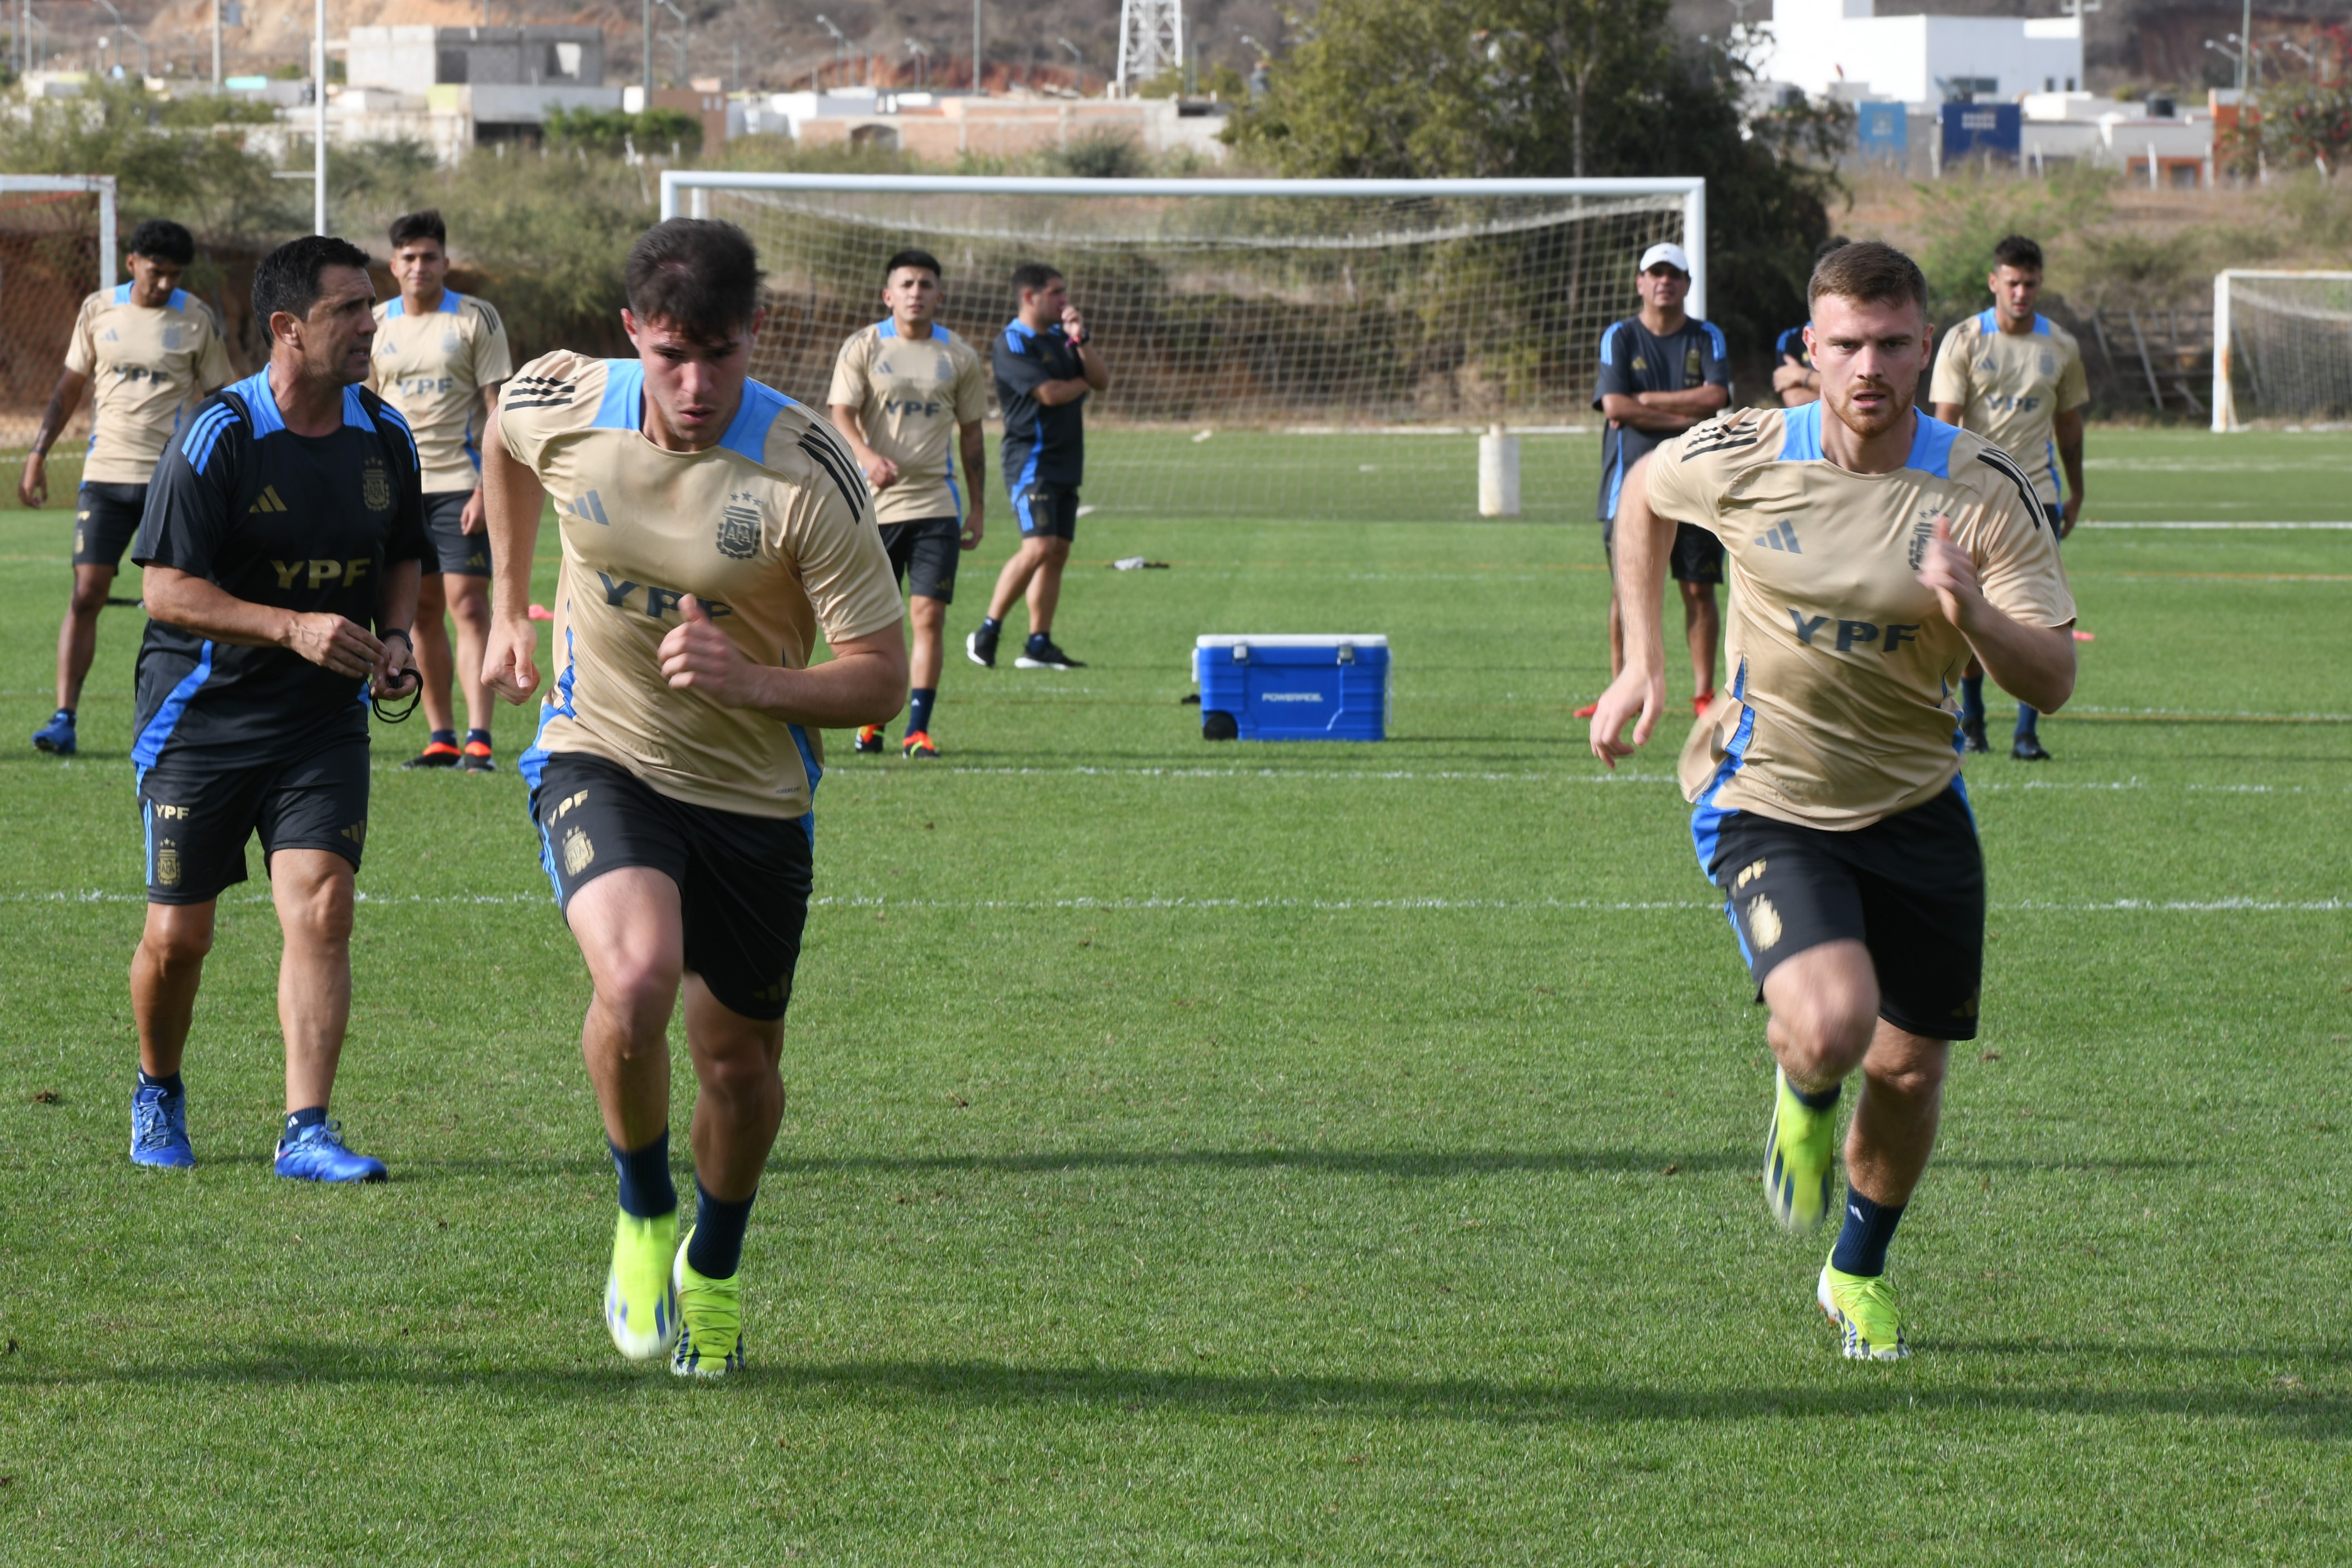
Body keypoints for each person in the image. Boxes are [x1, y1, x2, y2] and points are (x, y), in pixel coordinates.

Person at [1589, 240, 2077, 1360]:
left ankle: (1855, 1270)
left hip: (1917, 803)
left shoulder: (1983, 488)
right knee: (1832, 1025)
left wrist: (1975, 614)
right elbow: (1643, 495)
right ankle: (1805, 1089)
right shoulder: (1748, 450)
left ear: (1923, 348)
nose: (1869, 367)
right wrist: (1641, 661)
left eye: (1892, 344)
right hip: (1766, 790)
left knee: (1907, 1071)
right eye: (1846, 344)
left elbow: (2052, 677)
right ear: (1810, 348)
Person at [480, 218, 907, 1378]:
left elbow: (883, 677)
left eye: (720, 354)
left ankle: (712, 1268)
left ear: (753, 334)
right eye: (672, 354)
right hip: (600, 749)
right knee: (635, 978)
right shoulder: (564, 400)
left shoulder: (804, 472)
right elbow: (501, 438)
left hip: (753, 797)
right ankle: (641, 1210)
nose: (696, 383)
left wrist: (752, 679)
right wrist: (509, 606)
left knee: (739, 1069)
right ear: (633, 333)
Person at [123, 234, 425, 1181]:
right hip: (202, 717)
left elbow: (403, 551)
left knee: (324, 906)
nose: (371, 323)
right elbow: (166, 589)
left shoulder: (387, 435)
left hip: (320, 720)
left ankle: (307, 1130)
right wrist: (291, 626)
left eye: (371, 306)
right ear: (289, 327)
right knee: (179, 939)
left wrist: (397, 636)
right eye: (349, 309)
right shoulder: (220, 432)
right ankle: (158, 1087)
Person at [20, 218, 234, 757]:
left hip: (171, 480)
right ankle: (64, 717)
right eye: (156, 272)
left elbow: (221, 397)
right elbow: (69, 387)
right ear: (132, 262)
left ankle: (206, 711)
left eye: (174, 275)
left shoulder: (196, 318)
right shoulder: (98, 310)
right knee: (86, 593)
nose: (164, 284)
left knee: (192, 599)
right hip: (105, 478)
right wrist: (38, 455)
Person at [1930, 233, 2089, 761]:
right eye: (2013, 282)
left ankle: (2026, 735)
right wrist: (1941, 494)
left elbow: (2069, 426)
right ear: (1994, 282)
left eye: (2031, 284)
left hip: (2038, 498)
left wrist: (2077, 491)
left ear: (2040, 285)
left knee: (2038, 619)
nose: (2022, 293)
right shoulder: (1965, 340)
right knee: (1971, 611)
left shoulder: (2060, 346)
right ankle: (1974, 721)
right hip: (1974, 499)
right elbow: (1945, 424)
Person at [827, 247, 990, 758]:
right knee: (877, 623)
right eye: (907, 284)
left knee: (929, 617)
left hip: (937, 506)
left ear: (940, 295)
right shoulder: (864, 346)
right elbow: (841, 414)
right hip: (874, 509)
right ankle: (872, 722)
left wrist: (979, 507)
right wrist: (867, 457)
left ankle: (917, 730)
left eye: (925, 285)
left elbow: (972, 435)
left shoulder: (959, 356)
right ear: (888, 295)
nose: (916, 293)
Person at [367, 209, 514, 772]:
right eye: (409, 258)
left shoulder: (475, 318)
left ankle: (480, 739)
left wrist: (486, 490)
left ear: (446, 262)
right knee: (420, 612)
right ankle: (442, 738)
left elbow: (498, 412)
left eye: (430, 257)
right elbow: (366, 412)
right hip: (399, 491)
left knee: (469, 606)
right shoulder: (375, 323)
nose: (420, 266)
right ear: (393, 266)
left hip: (460, 484)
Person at [1578, 241, 1730, 723]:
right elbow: (1615, 405)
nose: (1665, 281)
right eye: (1656, 273)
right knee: (1627, 594)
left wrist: (1647, 402)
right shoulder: (1620, 336)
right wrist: (1683, 417)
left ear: (1686, 284)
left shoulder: (1707, 336)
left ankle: (1703, 695)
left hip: (1696, 487)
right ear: (1641, 283)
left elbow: (1717, 396)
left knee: (1698, 589)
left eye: (1674, 274)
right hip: (1630, 491)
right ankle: (1623, 688)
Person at [966, 261, 1108, 673]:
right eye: (1056, 292)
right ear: (1030, 297)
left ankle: (1038, 643)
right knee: (1039, 547)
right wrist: (1083, 384)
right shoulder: (1012, 342)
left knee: (1057, 552)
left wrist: (1081, 339)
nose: (1065, 300)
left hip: (1067, 462)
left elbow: (1101, 379)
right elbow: (1049, 393)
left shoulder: (1064, 338)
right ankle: (987, 632)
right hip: (1031, 463)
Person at [1771, 236, 1854, 410]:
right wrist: (1848, 397)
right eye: (1825, 282)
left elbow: (1864, 390)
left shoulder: (1868, 332)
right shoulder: (1791, 339)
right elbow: (1795, 400)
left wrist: (1802, 376)